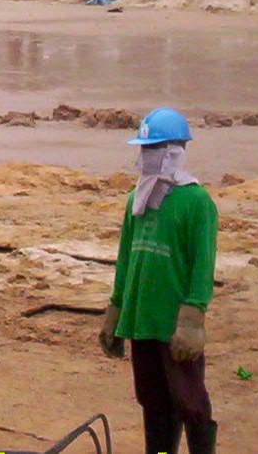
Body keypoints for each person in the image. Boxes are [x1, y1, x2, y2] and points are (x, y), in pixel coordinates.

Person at [99, 107, 217, 454]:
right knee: (152, 400)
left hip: (173, 322)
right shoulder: (136, 200)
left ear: (173, 152)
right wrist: (116, 311)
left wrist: (193, 318)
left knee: (189, 400)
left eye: (152, 148)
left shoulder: (196, 202)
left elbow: (203, 263)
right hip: (142, 318)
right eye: (144, 148)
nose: (145, 156)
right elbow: (126, 259)